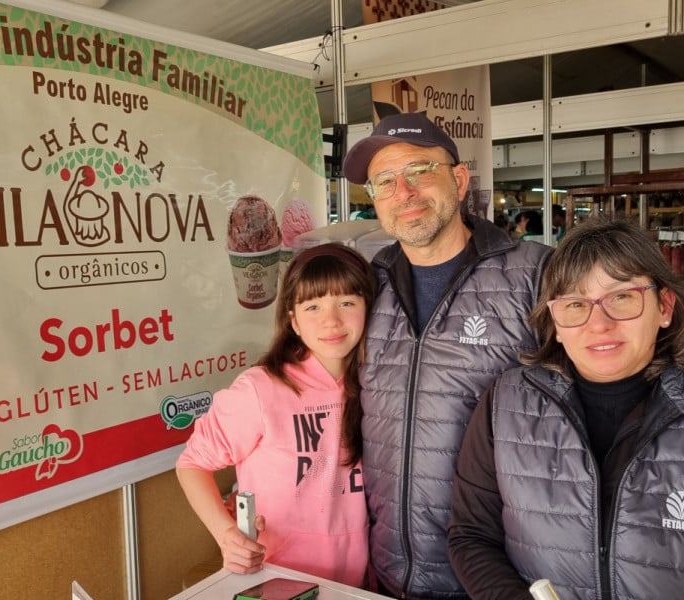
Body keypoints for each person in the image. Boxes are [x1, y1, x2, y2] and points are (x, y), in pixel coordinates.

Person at [341, 111, 551, 599]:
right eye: (385, 182)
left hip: (497, 577)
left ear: (459, 179)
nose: (404, 192)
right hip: (390, 571)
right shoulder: (368, 284)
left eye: (419, 170)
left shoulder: (535, 275)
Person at [448, 217, 684, 599]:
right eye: (575, 304)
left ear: (665, 307)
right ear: (555, 322)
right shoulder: (505, 404)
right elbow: (472, 535)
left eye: (622, 297)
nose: (599, 323)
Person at [175, 243, 377, 587]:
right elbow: (192, 464)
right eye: (312, 306)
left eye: (347, 302)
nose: (331, 320)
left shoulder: (378, 383)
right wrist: (226, 534)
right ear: (293, 320)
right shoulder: (260, 388)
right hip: (277, 579)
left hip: (358, 583)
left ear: (369, 308)